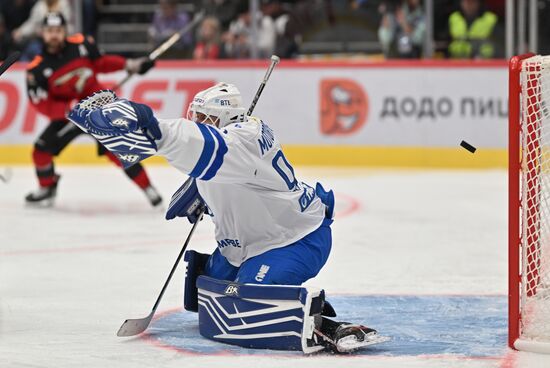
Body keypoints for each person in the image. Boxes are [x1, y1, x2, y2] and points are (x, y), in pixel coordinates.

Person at [67, 83, 388, 353]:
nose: (198, 121)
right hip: (253, 240)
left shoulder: (241, 140)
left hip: (294, 239)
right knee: (209, 285)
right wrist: (202, 193)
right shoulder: (234, 139)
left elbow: (196, 144)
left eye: (205, 117)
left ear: (227, 118)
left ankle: (322, 322)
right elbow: (212, 158)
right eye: (196, 116)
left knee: (245, 303)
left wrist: (151, 128)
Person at [25, 13, 162, 207]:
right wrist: (66, 109)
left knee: (119, 149)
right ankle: (46, 188)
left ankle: (148, 187)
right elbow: (40, 101)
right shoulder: (36, 69)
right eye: (49, 31)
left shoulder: (82, 44)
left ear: (64, 31)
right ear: (42, 33)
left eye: (57, 30)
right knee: (41, 150)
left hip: (98, 109)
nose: (54, 35)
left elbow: (101, 63)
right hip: (66, 116)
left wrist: (129, 64)